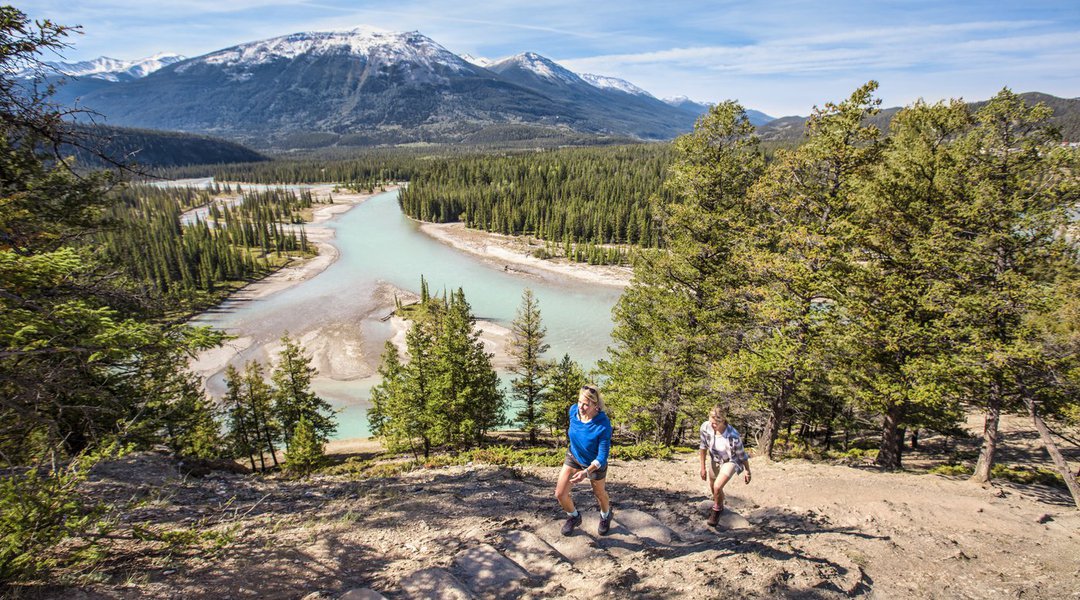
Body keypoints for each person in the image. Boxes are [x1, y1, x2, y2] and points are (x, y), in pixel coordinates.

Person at [555, 384, 614, 536]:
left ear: (596, 405)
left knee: (599, 494)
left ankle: (606, 515)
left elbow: (602, 457)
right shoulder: (573, 410)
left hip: (594, 464)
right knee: (560, 494)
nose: (581, 407)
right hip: (574, 457)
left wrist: (585, 472)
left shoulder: (603, 425)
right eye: (580, 402)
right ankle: (574, 517)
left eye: (586, 404)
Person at [699, 405, 751, 527]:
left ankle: (717, 511)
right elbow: (702, 447)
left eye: (715, 424)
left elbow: (742, 454)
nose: (712, 425)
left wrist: (747, 470)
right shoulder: (705, 427)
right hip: (715, 459)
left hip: (731, 460)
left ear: (722, 421)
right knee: (713, 487)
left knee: (717, 487)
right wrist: (702, 468)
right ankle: (720, 503)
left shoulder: (733, 434)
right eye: (711, 422)